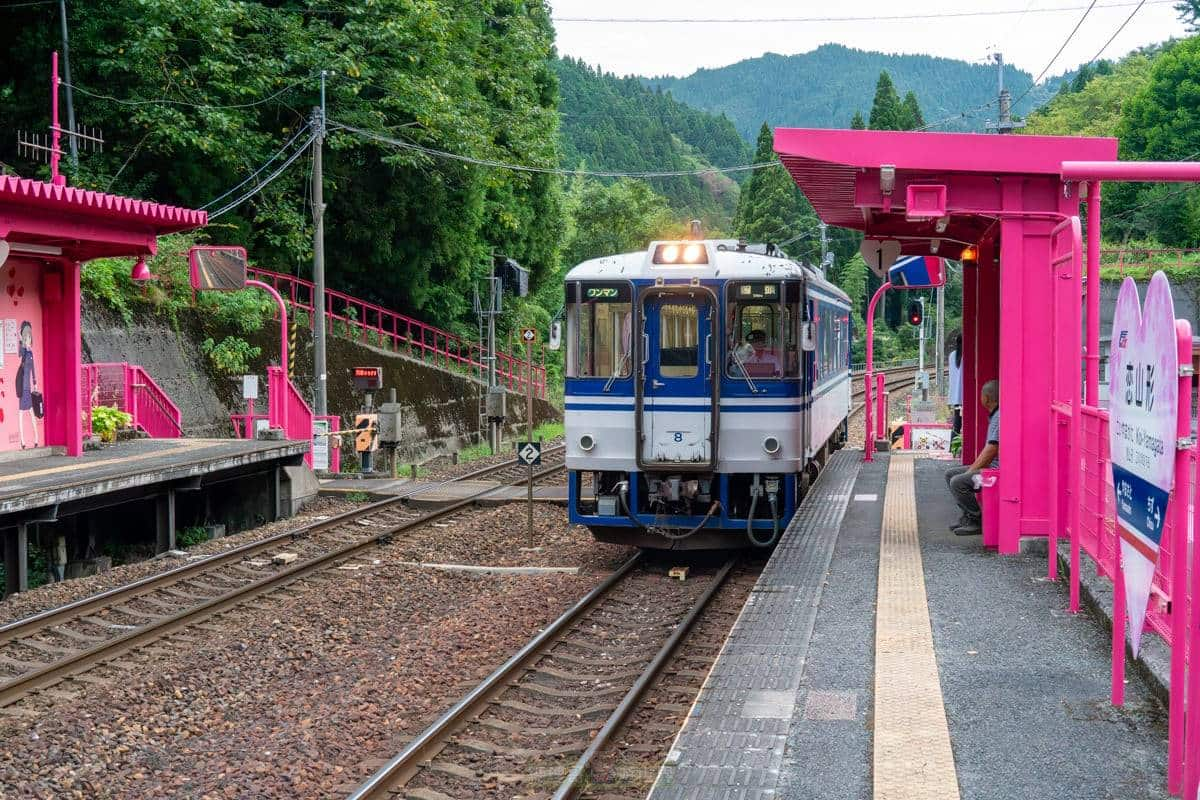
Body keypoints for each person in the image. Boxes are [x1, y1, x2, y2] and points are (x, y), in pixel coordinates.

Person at [944, 379, 999, 536]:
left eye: (982, 395)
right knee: (951, 474)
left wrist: (971, 470)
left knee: (958, 481)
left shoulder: (999, 417)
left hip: (995, 474)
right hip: (991, 469)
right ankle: (968, 516)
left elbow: (992, 449)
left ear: (986, 398)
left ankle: (976, 520)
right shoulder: (995, 415)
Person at [948, 331, 963, 435]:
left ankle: (953, 447)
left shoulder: (952, 355)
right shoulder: (965, 355)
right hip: (964, 394)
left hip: (955, 396)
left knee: (957, 422)